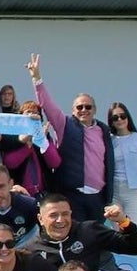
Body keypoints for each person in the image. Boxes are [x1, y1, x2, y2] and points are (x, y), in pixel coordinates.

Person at [28, 53, 113, 222]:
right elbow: (48, 106)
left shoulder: (103, 130)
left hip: (98, 198)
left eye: (87, 106)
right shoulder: (65, 124)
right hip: (72, 196)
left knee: (95, 241)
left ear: (94, 109)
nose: (83, 110)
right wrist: (37, 78)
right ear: (73, 110)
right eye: (79, 107)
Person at [1, 100, 61, 200]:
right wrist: (27, 145)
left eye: (35, 113)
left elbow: (55, 163)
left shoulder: (44, 136)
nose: (32, 115)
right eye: (28, 112)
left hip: (42, 194)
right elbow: (10, 163)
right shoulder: (12, 136)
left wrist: (43, 141)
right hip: (19, 193)